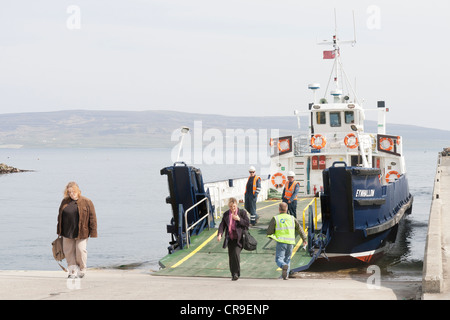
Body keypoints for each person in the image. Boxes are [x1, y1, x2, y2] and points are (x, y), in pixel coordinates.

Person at [56, 182, 97, 278]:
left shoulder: (87, 201)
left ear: (78, 191)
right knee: (68, 252)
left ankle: (82, 269)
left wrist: (93, 232)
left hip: (82, 232)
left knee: (81, 250)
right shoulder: (65, 201)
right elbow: (60, 216)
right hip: (67, 231)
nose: (71, 194)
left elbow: (93, 218)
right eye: (69, 192)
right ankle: (72, 271)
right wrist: (59, 230)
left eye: (73, 191)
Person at [267, 202, 307, 280]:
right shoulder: (292, 218)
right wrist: (304, 239)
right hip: (291, 242)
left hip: (281, 242)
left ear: (279, 209)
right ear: (287, 209)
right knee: (288, 259)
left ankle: (283, 265)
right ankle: (286, 276)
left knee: (279, 259)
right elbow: (300, 229)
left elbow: (269, 231)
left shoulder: (276, 218)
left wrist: (271, 236)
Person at [217, 197, 250, 281]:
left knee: (236, 254)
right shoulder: (226, 214)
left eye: (234, 206)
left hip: (239, 239)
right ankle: (233, 274)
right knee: (231, 257)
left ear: (236, 205)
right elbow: (222, 225)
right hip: (230, 239)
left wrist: (239, 219)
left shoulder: (242, 213)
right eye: (231, 206)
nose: (232, 208)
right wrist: (220, 234)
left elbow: (247, 223)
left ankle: (236, 273)